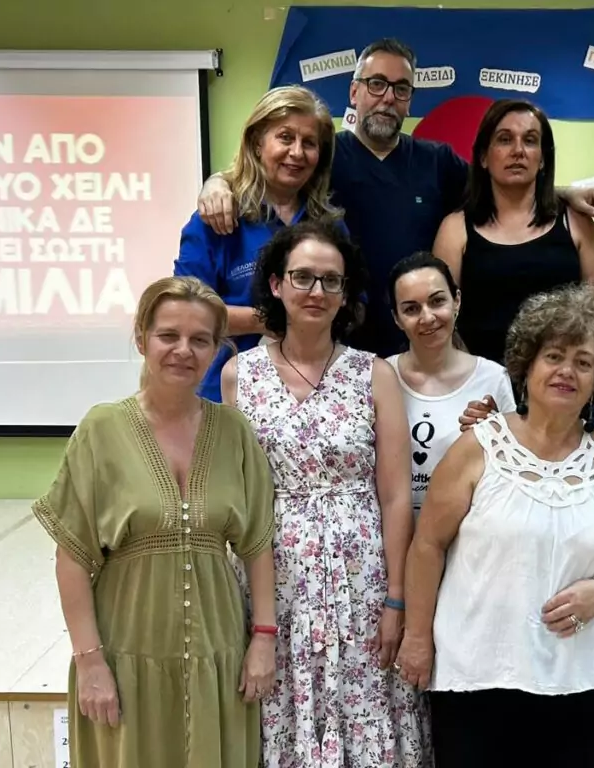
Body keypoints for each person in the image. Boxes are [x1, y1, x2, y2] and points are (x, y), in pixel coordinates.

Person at [196, 38, 594, 358]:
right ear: (354, 92)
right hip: (338, 345)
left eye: (400, 88)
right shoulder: (324, 155)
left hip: (418, 341)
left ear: (410, 99)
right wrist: (217, 183)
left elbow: (502, 184)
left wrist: (563, 192)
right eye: (376, 84)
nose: (387, 97)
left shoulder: (437, 161)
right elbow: (269, 174)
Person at [395, 283, 594, 768]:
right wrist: (416, 638)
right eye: (553, 356)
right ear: (526, 365)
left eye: (583, 362)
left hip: (581, 679)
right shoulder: (477, 446)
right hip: (476, 674)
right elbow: (427, 545)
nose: (566, 371)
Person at [32, 276, 279, 768]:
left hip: (218, 658)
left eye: (200, 339)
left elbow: (257, 545)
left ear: (216, 349)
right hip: (124, 658)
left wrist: (263, 640)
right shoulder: (102, 429)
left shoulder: (234, 430)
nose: (183, 350)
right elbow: (71, 557)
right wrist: (90, 661)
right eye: (169, 335)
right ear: (142, 338)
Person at [221, 220, 427, 766]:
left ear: (344, 293)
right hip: (276, 579)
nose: (316, 291)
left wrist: (397, 598)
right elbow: (240, 496)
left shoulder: (373, 374)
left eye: (331, 280)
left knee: (367, 707)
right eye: (303, 277)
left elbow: (394, 496)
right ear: (275, 285)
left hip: (362, 579)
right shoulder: (239, 374)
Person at [174, 85, 341, 402]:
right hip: (225, 398)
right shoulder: (216, 219)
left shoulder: (331, 226)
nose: (297, 152)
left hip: (316, 398)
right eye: (285, 137)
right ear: (256, 143)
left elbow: (353, 304)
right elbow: (188, 311)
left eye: (309, 143)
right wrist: (268, 320)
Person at [433, 98, 594, 364]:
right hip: (479, 383)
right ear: (483, 156)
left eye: (530, 140)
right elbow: (442, 320)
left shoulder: (576, 222)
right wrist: (477, 377)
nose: (518, 151)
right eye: (505, 140)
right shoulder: (455, 229)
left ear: (542, 158)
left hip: (564, 380)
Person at [386, 251, 516, 516]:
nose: (427, 317)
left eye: (437, 301)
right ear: (397, 318)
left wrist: (494, 437)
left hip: (469, 531)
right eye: (411, 309)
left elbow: (514, 469)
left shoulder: (493, 378)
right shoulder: (380, 377)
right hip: (393, 532)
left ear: (456, 300)